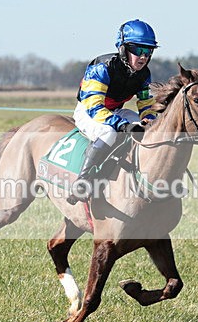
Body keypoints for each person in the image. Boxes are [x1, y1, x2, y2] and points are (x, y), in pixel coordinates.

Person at [67, 19, 159, 204]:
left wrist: (149, 119)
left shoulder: (144, 73)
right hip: (89, 111)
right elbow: (94, 106)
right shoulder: (101, 67)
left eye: (148, 51)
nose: (143, 57)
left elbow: (146, 103)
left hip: (115, 111)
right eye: (138, 50)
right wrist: (122, 125)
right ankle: (82, 183)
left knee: (145, 129)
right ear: (123, 48)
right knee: (108, 132)